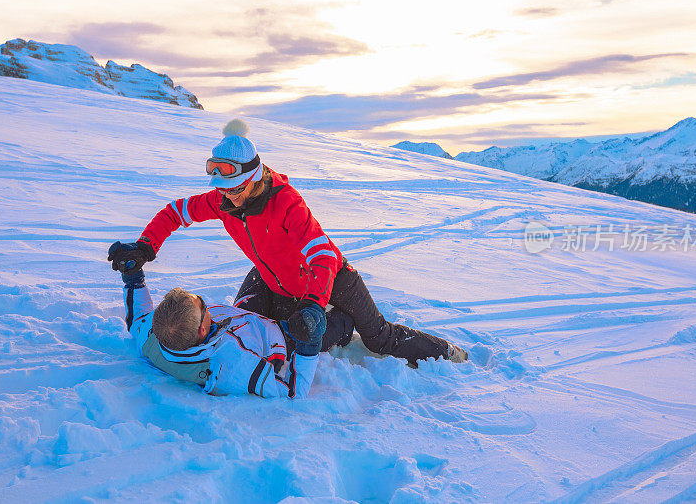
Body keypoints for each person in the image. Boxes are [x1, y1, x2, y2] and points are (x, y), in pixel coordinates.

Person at [108, 119, 467, 367]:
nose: (227, 199)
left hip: (331, 279)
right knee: (251, 330)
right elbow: (177, 211)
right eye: (221, 190)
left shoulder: (286, 202)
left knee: (378, 339)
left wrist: (313, 306)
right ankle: (313, 317)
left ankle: (440, 349)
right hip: (271, 276)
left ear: (253, 179)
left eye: (234, 189)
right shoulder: (222, 201)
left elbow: (323, 256)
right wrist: (145, 247)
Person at [108, 241, 355, 399]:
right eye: (202, 305)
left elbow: (138, 318)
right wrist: (309, 344)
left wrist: (132, 274)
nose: (205, 302)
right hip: (285, 338)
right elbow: (294, 392)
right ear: (202, 330)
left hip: (243, 319)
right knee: (341, 319)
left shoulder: (155, 332)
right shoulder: (233, 367)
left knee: (265, 266)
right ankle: (342, 330)